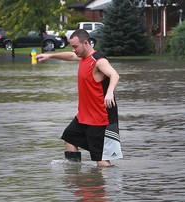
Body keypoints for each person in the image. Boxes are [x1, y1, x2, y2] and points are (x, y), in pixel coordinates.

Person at [36, 29, 123, 167]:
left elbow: (114, 75)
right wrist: (50, 56)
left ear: (86, 43)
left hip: (99, 118)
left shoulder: (98, 61)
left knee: (101, 160)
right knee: (69, 138)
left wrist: (110, 92)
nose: (74, 50)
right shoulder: (83, 57)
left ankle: (108, 185)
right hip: (84, 116)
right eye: (72, 47)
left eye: (76, 46)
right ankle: (75, 174)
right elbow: (70, 56)